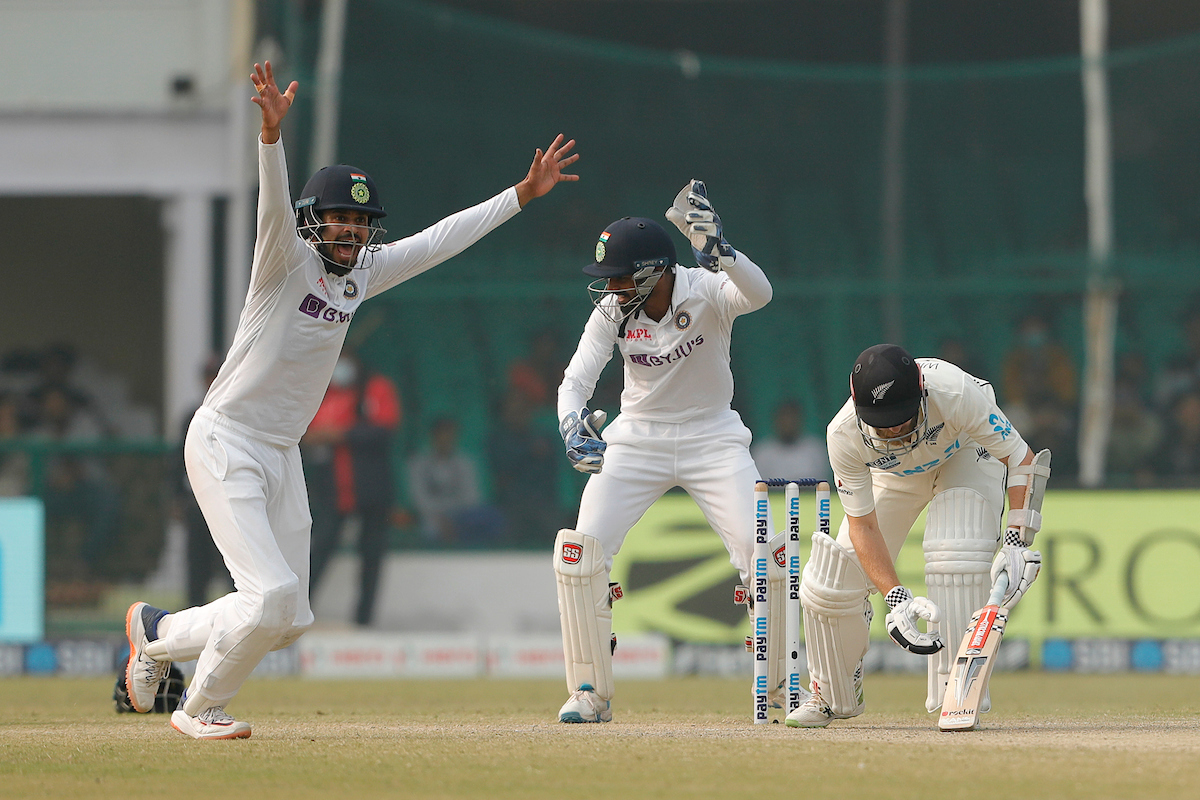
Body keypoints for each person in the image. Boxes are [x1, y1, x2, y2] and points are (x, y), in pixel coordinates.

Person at [122, 61, 578, 739]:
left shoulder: (363, 275)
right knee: (267, 597)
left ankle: (155, 633)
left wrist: (522, 194)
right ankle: (198, 709)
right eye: (338, 218)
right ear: (312, 222)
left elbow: (438, 241)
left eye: (361, 222)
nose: (351, 231)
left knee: (288, 617)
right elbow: (271, 203)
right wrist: (270, 135)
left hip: (279, 453)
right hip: (225, 440)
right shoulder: (284, 260)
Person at [552, 181, 772, 723]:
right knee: (582, 552)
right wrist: (571, 426)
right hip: (638, 438)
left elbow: (760, 294)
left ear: (656, 270)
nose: (611, 289)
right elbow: (575, 381)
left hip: (713, 436)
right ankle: (589, 691)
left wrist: (723, 252)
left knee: (760, 552)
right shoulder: (612, 311)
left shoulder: (706, 289)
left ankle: (779, 686)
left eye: (621, 278)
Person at [787, 343, 1049, 728]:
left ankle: (956, 693)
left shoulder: (956, 393)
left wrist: (1015, 541)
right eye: (881, 420)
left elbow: (1022, 458)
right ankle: (831, 693)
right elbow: (864, 526)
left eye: (900, 417)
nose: (891, 428)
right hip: (895, 475)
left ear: (922, 394)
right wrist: (896, 599)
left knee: (957, 551)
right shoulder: (844, 434)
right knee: (829, 580)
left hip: (965, 452)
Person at [302, 350, 401, 625]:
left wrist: (342, 434)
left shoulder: (376, 387)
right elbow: (310, 432)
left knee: (371, 556)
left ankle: (364, 620)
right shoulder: (324, 391)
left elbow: (384, 428)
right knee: (320, 549)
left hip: (371, 487)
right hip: (333, 488)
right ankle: (297, 614)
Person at [406, 417, 495, 545]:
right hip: (431, 518)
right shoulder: (418, 463)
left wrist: (453, 519)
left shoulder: (465, 463)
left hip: (462, 517)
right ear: (433, 436)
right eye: (442, 434)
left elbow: (472, 497)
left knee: (486, 518)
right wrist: (441, 518)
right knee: (430, 531)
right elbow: (419, 499)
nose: (446, 439)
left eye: (450, 434)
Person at [751, 399, 830, 481]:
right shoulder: (762, 452)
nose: (788, 422)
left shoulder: (816, 449)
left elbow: (822, 486)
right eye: (784, 418)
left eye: (792, 418)